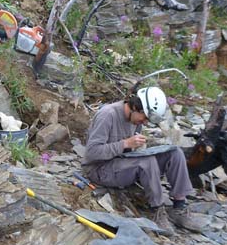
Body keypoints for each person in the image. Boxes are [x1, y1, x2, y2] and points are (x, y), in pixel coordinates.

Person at [82, 86, 197, 235]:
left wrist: (138, 147)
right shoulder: (108, 115)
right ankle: (157, 210)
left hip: (121, 164)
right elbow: (92, 153)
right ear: (135, 107)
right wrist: (125, 144)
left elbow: (131, 152)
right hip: (99, 169)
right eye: (145, 118)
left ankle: (179, 206)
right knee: (146, 162)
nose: (145, 123)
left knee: (174, 152)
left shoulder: (136, 120)